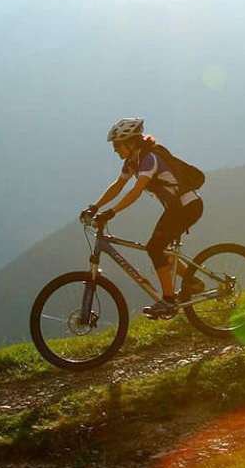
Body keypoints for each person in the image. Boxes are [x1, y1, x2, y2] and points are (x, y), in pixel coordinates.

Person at [82, 117, 205, 318]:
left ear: (131, 142)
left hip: (187, 206)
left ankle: (168, 300)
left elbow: (136, 191)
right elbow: (118, 186)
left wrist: (111, 212)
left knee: (155, 248)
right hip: (177, 208)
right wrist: (94, 207)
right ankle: (193, 282)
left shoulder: (149, 159)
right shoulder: (133, 161)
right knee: (159, 249)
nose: (115, 150)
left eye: (117, 145)